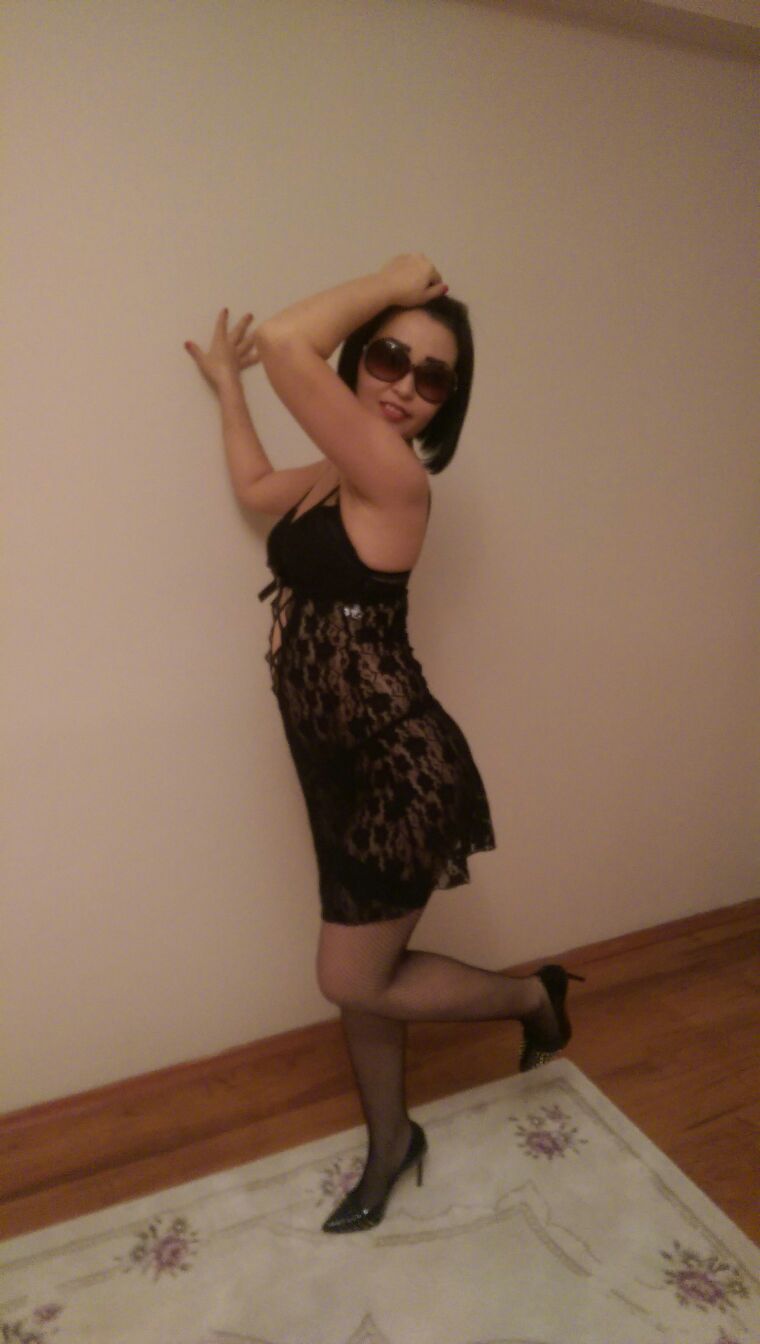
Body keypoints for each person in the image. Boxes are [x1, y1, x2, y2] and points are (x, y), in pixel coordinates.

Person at [185, 254, 585, 1233]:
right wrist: (231, 387)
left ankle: (531, 997)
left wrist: (395, 275)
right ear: (359, 359)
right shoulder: (337, 472)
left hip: (399, 770)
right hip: (334, 769)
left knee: (348, 977)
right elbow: (253, 485)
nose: (405, 384)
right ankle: (390, 1141)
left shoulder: (394, 477)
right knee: (363, 980)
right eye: (388, 357)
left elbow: (290, 338)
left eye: (432, 376)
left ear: (448, 401)